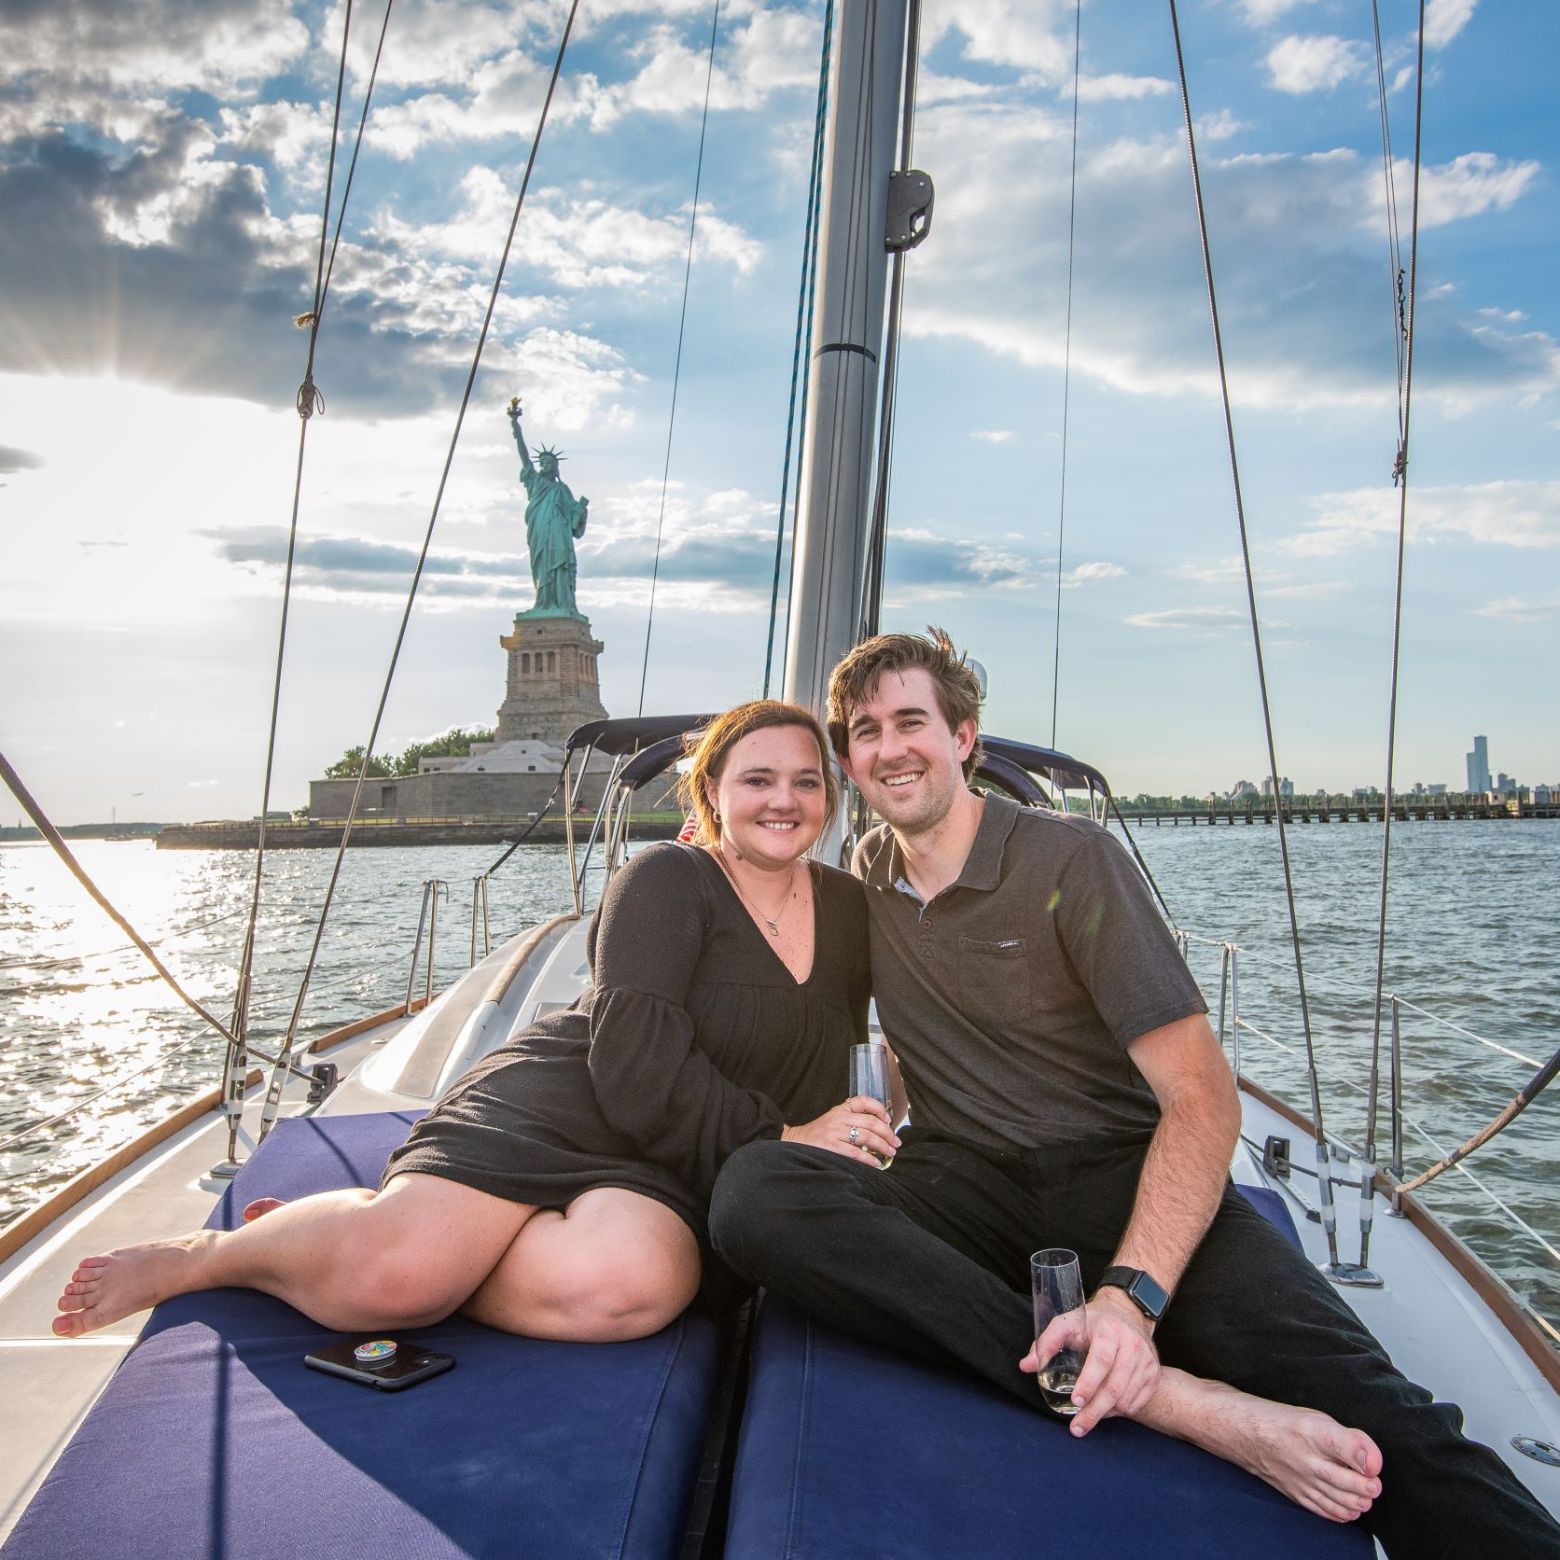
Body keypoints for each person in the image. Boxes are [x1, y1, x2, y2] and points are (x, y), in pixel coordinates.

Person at [709, 631, 1560, 1555]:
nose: (890, 747)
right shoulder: (862, 881)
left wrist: (1128, 1298)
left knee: (1389, 1430)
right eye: (866, 732)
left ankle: (1115, 1349)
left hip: (1123, 1182)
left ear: (964, 737)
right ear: (849, 762)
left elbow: (1204, 1097)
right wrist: (705, 859)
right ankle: (1164, 1398)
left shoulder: (1072, 864)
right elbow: (761, 897)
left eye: (912, 720)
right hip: (961, 1187)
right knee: (755, 1194)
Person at [53, 701, 891, 1344]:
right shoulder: (667, 878)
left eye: (805, 780)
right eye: (757, 779)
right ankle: (220, 1256)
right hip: (566, 1106)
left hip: (685, 1166)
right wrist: (785, 1137)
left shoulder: (852, 909)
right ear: (712, 791)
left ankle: (377, 1246)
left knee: (623, 1290)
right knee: (390, 1287)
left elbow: (877, 1039)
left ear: (831, 795)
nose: (783, 800)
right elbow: (635, 1071)